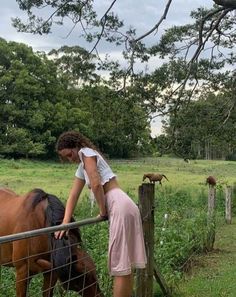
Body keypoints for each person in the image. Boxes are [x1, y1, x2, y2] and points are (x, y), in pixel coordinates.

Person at [54, 131, 147, 297]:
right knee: (125, 264)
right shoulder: (83, 164)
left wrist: (103, 211)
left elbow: (96, 184)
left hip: (117, 205)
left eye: (70, 154)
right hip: (124, 204)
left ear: (76, 146)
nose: (70, 158)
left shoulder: (86, 153)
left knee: (119, 265)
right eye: (66, 157)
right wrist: (65, 222)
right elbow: (73, 196)